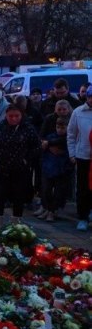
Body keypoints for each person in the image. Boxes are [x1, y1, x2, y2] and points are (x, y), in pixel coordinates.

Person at [0, 104, 40, 231]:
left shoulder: (28, 128)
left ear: (21, 116)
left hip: (20, 168)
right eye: (11, 116)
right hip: (2, 167)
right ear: (6, 115)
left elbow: (37, 147)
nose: (14, 119)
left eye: (17, 116)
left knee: (18, 195)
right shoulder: (0, 127)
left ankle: (16, 221)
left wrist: (26, 159)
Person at [66, 85, 92, 231]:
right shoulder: (78, 112)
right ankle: (82, 216)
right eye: (90, 97)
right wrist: (72, 153)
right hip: (83, 156)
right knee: (83, 188)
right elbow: (71, 134)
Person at [39, 116, 73, 222]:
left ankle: (52, 211)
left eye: (63, 127)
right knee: (46, 191)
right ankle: (47, 208)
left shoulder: (69, 139)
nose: (60, 129)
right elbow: (43, 149)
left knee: (58, 192)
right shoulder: (50, 137)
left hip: (62, 169)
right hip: (48, 167)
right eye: (58, 127)